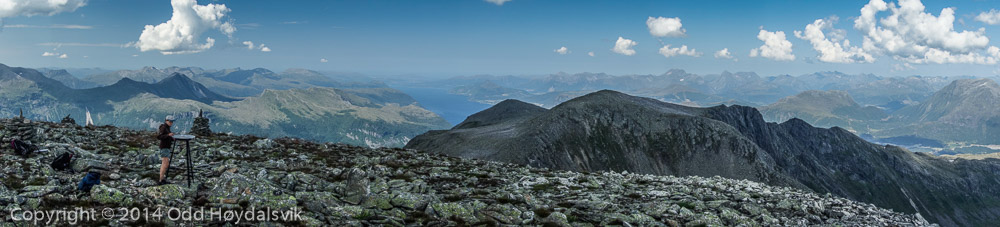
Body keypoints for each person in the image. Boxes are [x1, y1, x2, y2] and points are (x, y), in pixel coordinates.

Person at [156, 115, 175, 185]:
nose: (171, 123)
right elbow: (159, 136)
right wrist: (168, 135)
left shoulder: (167, 128)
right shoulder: (163, 127)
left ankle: (162, 178)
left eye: (172, 121)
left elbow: (167, 136)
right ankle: (161, 180)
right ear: (166, 121)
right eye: (170, 121)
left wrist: (171, 138)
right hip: (164, 147)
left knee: (166, 163)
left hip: (166, 147)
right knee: (164, 163)